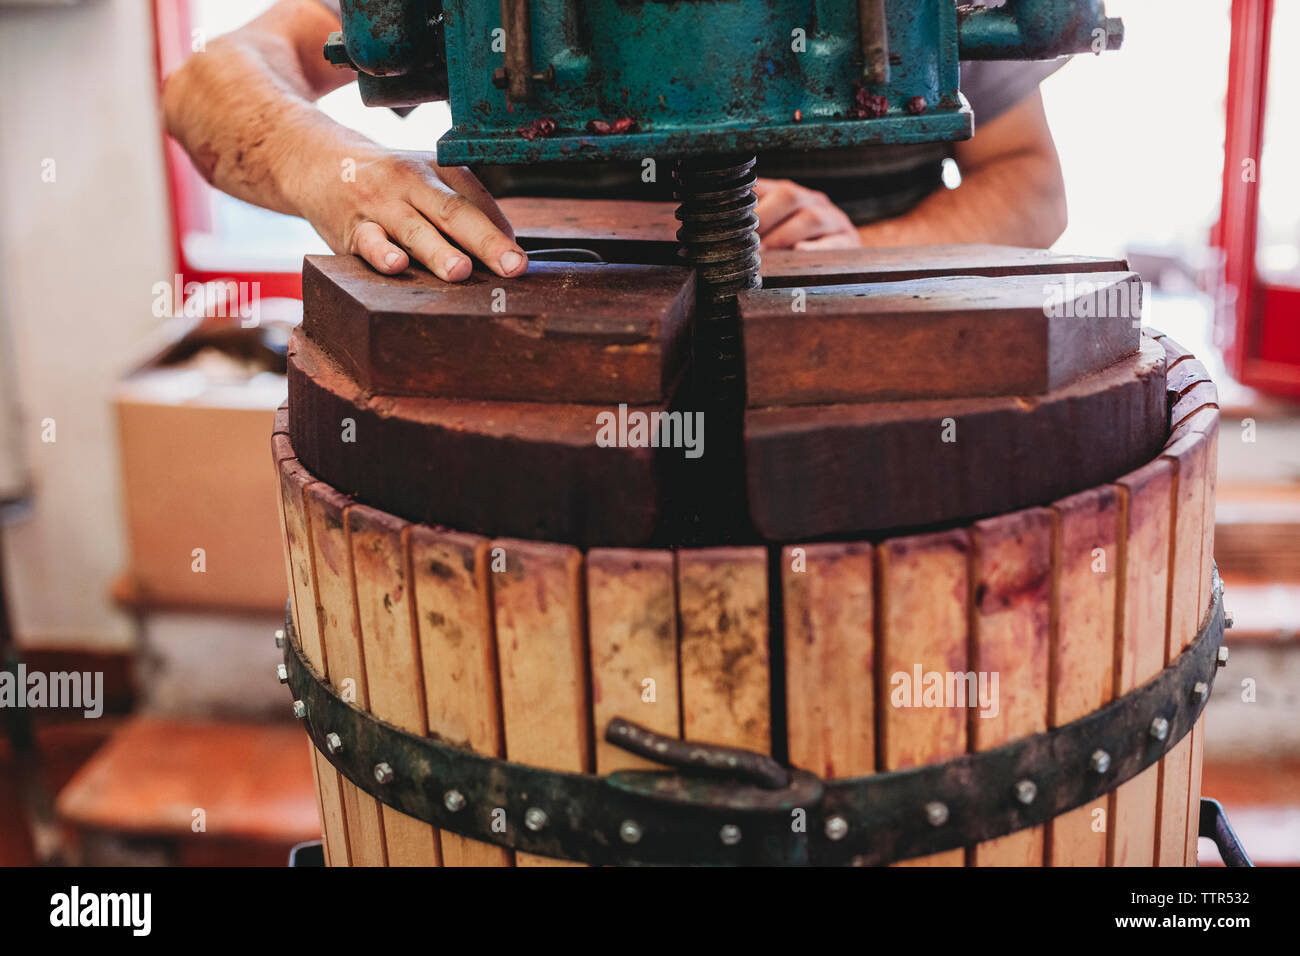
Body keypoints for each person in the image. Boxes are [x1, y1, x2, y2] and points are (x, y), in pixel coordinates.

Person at [163, 0, 1068, 283]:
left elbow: (1030, 186)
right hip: (552, 369)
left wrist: (860, 254)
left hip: (860, 375)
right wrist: (332, 163)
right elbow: (205, 83)